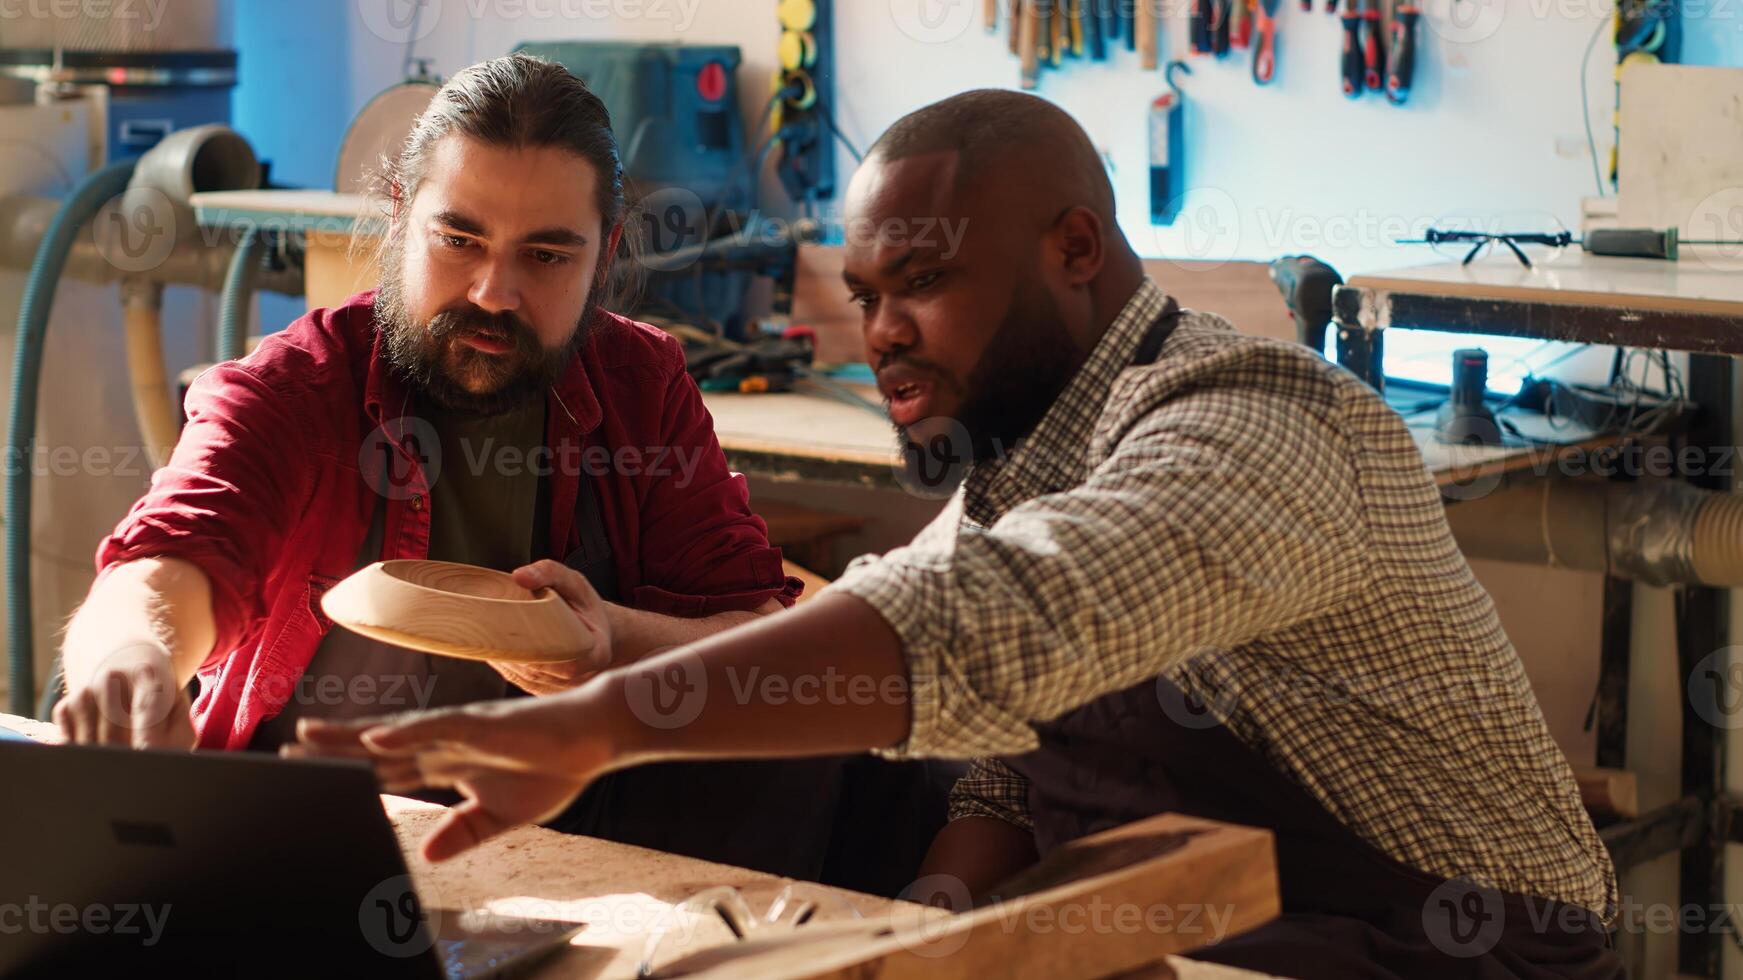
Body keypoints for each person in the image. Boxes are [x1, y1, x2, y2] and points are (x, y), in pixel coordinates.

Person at [295, 89, 1622, 978]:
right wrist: (928, 918)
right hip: (1220, 921)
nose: (878, 333)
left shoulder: (1254, 419)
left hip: (1460, 943)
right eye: (865, 292)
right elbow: (991, 749)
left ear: (1072, 248)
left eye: (922, 284)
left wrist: (598, 726)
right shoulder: (1018, 459)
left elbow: (1006, 623)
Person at [52, 53, 843, 880]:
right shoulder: (293, 388)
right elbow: (169, 561)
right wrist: (131, 659)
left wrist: (612, 642)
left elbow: (764, 655)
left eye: (545, 256)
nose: (493, 291)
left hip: (582, 863)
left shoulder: (642, 386)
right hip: (306, 854)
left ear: (604, 254)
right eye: (459, 239)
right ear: (399, 215)